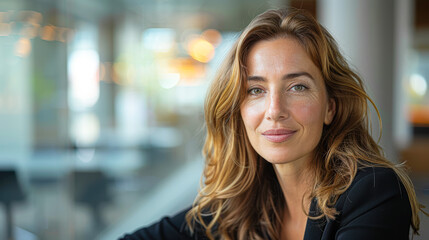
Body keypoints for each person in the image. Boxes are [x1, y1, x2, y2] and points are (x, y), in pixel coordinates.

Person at [119, 8, 426, 240]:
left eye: (297, 87)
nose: (274, 110)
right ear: (238, 110)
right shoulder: (241, 202)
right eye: (256, 90)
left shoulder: (375, 191)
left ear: (330, 107)